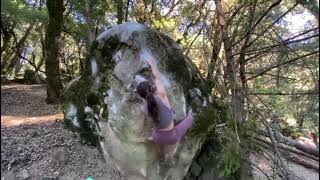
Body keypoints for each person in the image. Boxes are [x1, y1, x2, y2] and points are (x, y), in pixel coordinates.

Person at [136, 57, 193, 160]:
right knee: (191, 117)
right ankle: (188, 118)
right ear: (151, 88)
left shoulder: (143, 108)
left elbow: (150, 109)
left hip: (158, 137)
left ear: (141, 96)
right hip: (172, 137)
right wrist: (153, 65)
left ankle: (161, 154)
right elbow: (157, 78)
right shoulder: (161, 96)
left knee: (157, 136)